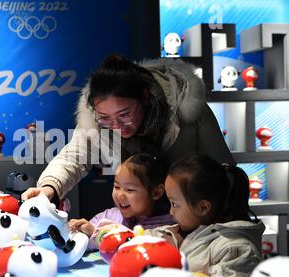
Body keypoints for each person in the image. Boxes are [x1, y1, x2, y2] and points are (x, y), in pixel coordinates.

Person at [22, 53, 234, 206]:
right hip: (141, 221)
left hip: (195, 217)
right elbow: (74, 156)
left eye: (124, 115)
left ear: (145, 97)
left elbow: (225, 171)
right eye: (105, 117)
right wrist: (49, 188)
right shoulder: (93, 121)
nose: (116, 125)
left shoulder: (189, 110)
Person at [144, 154, 264, 277]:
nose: (170, 211)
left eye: (175, 204)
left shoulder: (237, 248)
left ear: (203, 207)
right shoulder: (184, 230)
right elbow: (150, 236)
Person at [69, 152, 175, 250]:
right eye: (117, 186)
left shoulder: (166, 227)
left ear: (156, 192)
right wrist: (78, 231)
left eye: (130, 189)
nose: (119, 195)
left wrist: (97, 234)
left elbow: (135, 246)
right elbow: (83, 238)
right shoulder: (108, 216)